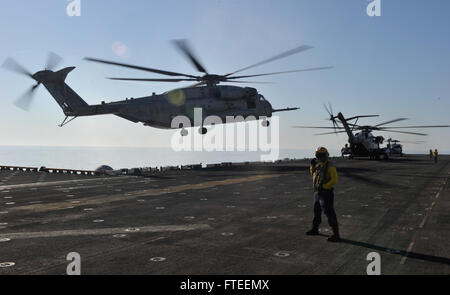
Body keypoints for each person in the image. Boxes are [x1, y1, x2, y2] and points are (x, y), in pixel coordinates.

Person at [306, 147, 340, 242]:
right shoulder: (318, 165)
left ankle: (336, 234)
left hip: (326, 193)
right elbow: (313, 175)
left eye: (323, 155)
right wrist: (312, 166)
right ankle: (315, 229)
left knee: (329, 212)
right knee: (316, 212)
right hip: (317, 192)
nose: (321, 157)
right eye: (319, 155)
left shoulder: (330, 166)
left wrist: (325, 186)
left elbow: (334, 180)